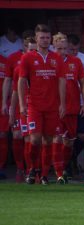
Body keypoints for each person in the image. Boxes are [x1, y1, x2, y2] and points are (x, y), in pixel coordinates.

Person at [18, 24, 66, 185]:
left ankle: (44, 174)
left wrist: (62, 104)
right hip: (34, 105)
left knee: (48, 140)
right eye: (42, 37)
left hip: (52, 106)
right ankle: (32, 168)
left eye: (47, 38)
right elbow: (21, 81)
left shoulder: (56, 58)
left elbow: (61, 81)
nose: (45, 40)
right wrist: (22, 105)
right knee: (35, 139)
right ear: (36, 38)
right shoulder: (28, 57)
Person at [51, 32, 84, 184]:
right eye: (59, 48)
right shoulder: (50, 62)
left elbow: (83, 81)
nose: (63, 52)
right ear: (54, 47)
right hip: (55, 108)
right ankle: (58, 172)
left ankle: (63, 167)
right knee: (56, 138)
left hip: (72, 107)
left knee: (69, 142)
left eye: (65, 48)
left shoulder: (76, 62)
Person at [2, 32, 36, 182]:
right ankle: (20, 168)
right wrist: (6, 104)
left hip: (35, 104)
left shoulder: (41, 62)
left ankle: (31, 169)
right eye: (31, 50)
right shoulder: (15, 62)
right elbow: (11, 85)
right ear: (24, 47)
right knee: (17, 135)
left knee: (31, 138)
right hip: (19, 105)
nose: (33, 53)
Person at [67, 34, 84, 177]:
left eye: (76, 50)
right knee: (65, 137)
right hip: (65, 103)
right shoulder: (59, 58)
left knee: (82, 135)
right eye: (71, 50)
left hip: (80, 103)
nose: (74, 52)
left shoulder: (83, 58)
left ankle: (71, 158)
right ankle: (64, 165)